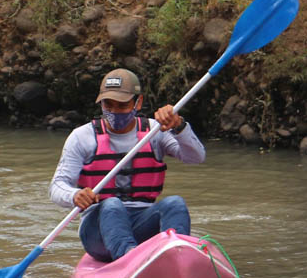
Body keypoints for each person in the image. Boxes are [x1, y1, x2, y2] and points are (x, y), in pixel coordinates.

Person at [49, 68, 206, 262]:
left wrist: (179, 126)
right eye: (108, 104)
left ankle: (177, 256)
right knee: (112, 204)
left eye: (122, 105)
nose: (114, 111)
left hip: (143, 224)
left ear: (137, 103)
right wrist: (74, 195)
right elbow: (57, 186)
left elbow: (196, 157)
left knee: (175, 203)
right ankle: (129, 260)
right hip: (98, 233)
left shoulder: (155, 131)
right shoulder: (82, 137)